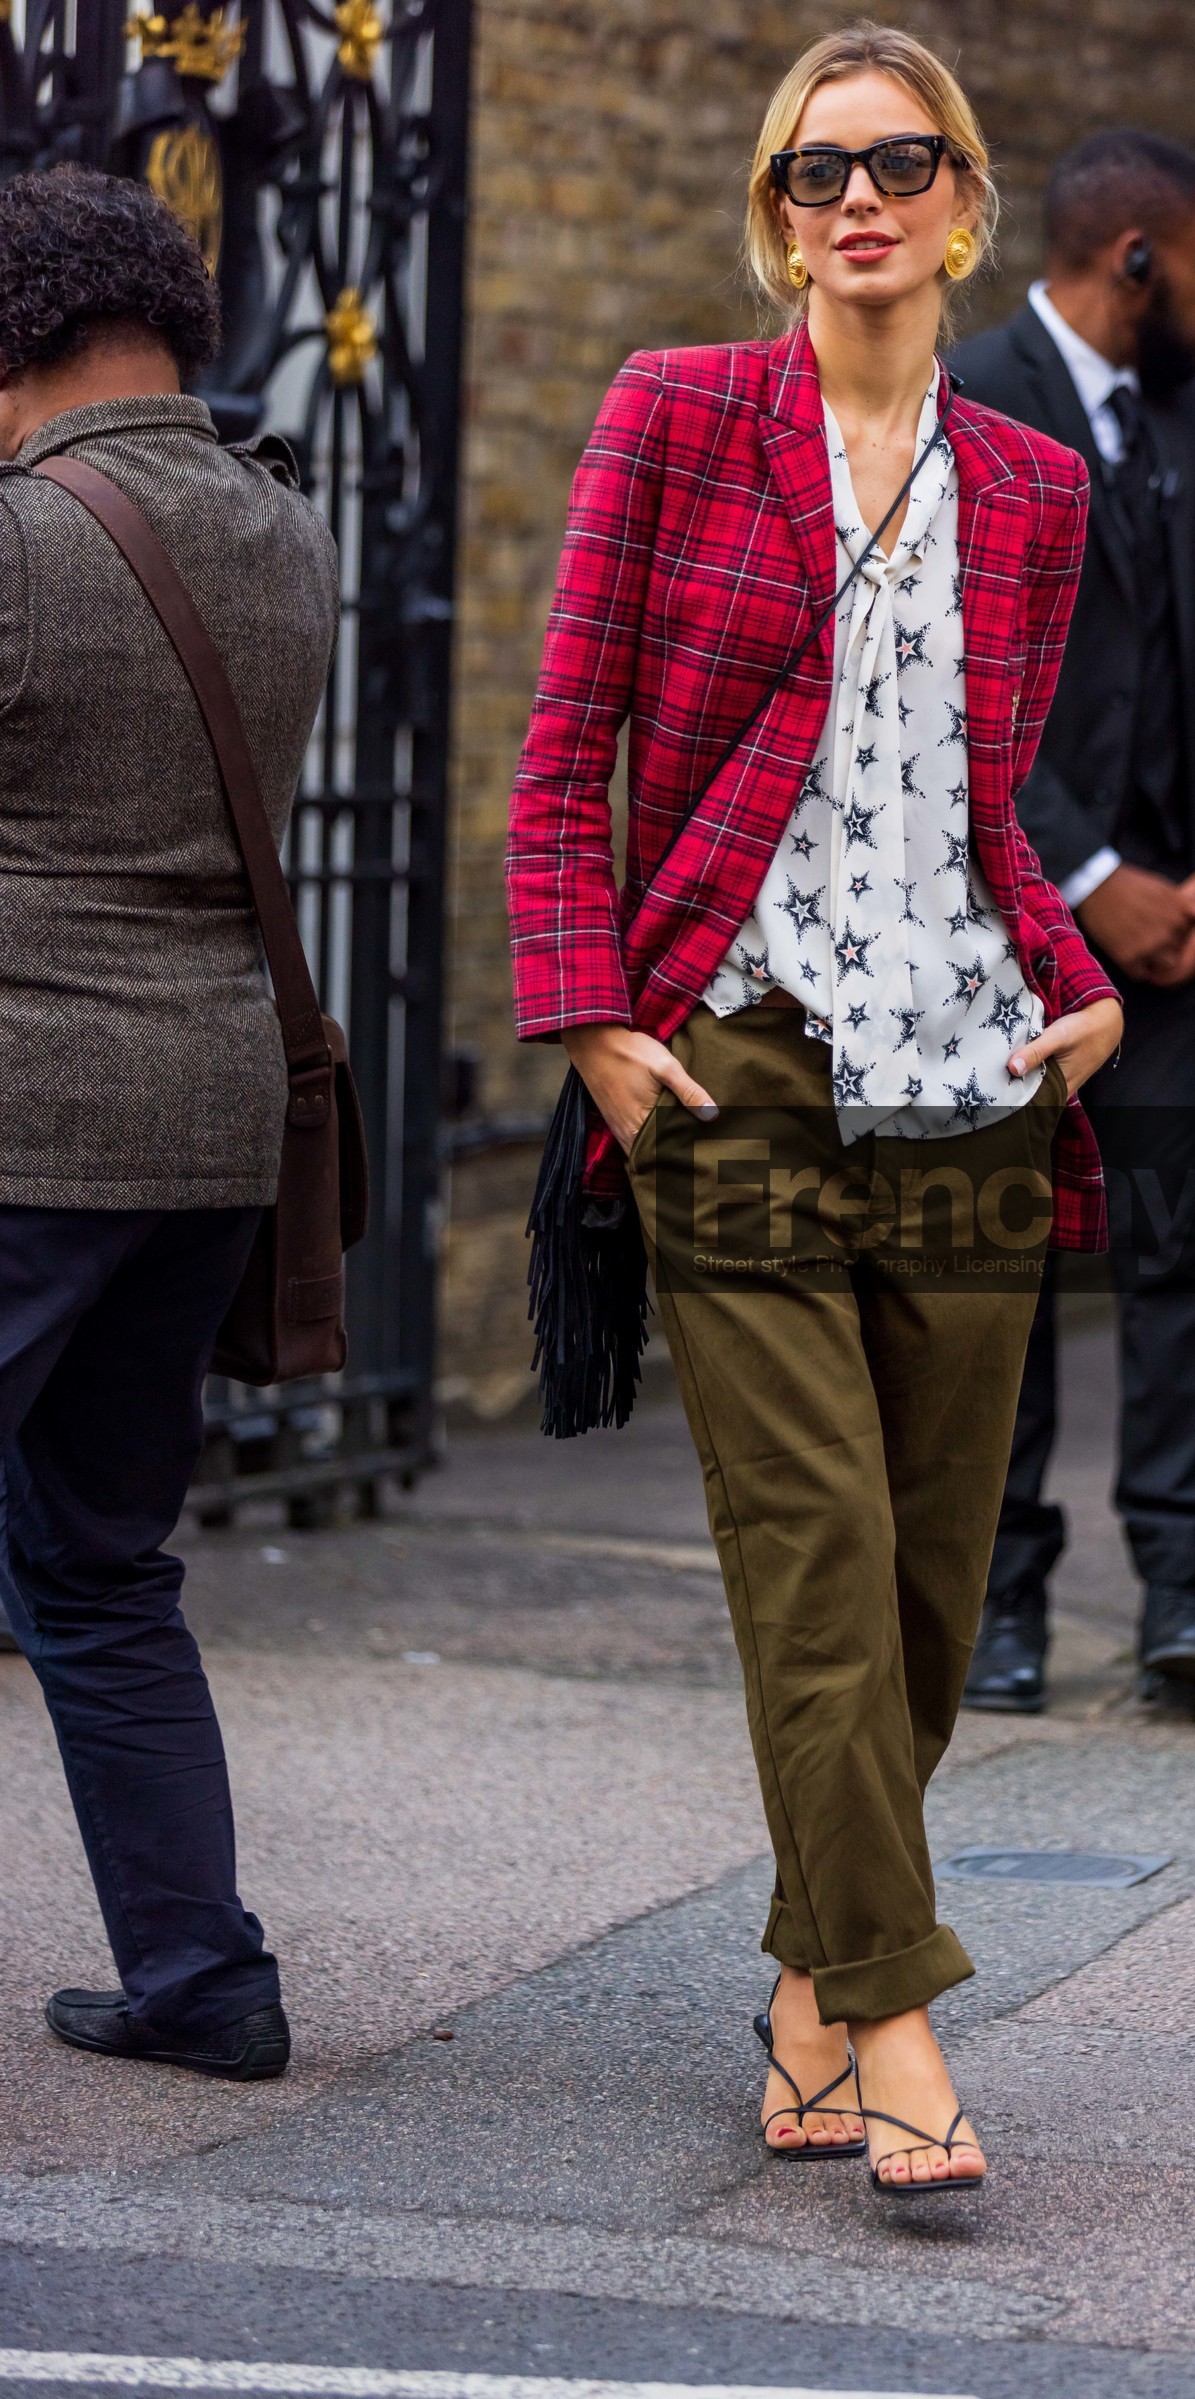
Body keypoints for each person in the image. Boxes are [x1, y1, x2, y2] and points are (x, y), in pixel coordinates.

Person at [507, 24, 1122, 2194]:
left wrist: (1076, 975)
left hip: (971, 1072)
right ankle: (899, 2026)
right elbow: (563, 741)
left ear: (961, 199)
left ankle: (804, 1969)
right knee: (816, 1550)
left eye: (896, 161)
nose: (853, 199)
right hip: (734, 1054)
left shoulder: (1037, 491)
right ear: (771, 220)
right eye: (810, 170)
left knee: (935, 1579)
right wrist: (587, 1019)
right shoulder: (676, 416)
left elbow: (975, 802)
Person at [0, 168, 339, 2076]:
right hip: (210, 1132)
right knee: (105, 1566)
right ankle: (205, 1980)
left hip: (29, 1125)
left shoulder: (23, 544)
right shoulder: (284, 527)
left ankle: (204, 1978)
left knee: (85, 1568)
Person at [949, 130, 1195, 1719]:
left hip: (1187, 938)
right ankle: (1003, 1597)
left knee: (1174, 1255)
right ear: (1136, 262)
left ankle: (1181, 1595)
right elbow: (952, 685)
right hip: (1020, 925)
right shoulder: (970, 400)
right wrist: (1094, 881)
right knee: (1006, 1261)